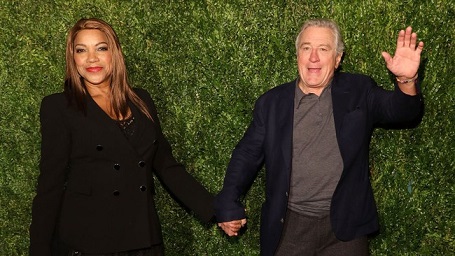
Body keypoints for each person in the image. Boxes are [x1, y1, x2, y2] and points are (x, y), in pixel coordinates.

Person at [215, 18, 424, 255]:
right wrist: (228, 201)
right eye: (306, 48)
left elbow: (402, 112)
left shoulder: (359, 90)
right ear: (298, 56)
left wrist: (406, 80)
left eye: (323, 49)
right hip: (289, 228)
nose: (313, 57)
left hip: (346, 229)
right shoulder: (272, 104)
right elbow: (246, 155)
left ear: (337, 59)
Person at [29, 18, 214, 256]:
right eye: (81, 50)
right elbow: (49, 186)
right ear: (72, 58)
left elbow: (167, 166)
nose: (91, 58)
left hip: (144, 238)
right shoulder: (59, 107)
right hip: (89, 243)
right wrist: (38, 250)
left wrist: (216, 209)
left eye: (101, 48)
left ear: (114, 53)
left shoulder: (141, 100)